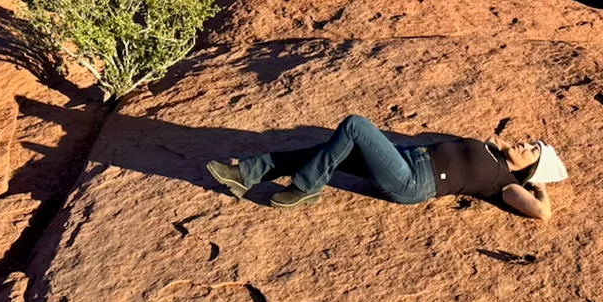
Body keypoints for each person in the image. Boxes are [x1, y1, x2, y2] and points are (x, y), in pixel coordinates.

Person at [206, 114, 568, 218]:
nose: (525, 144)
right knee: (327, 149)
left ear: (531, 171)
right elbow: (499, 141)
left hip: (412, 182)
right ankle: (245, 175)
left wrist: (541, 183)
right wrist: (507, 147)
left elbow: (542, 213)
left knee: (354, 126)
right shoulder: (497, 152)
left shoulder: (506, 185)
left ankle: (306, 189)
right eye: (531, 142)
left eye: (532, 151)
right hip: (405, 158)